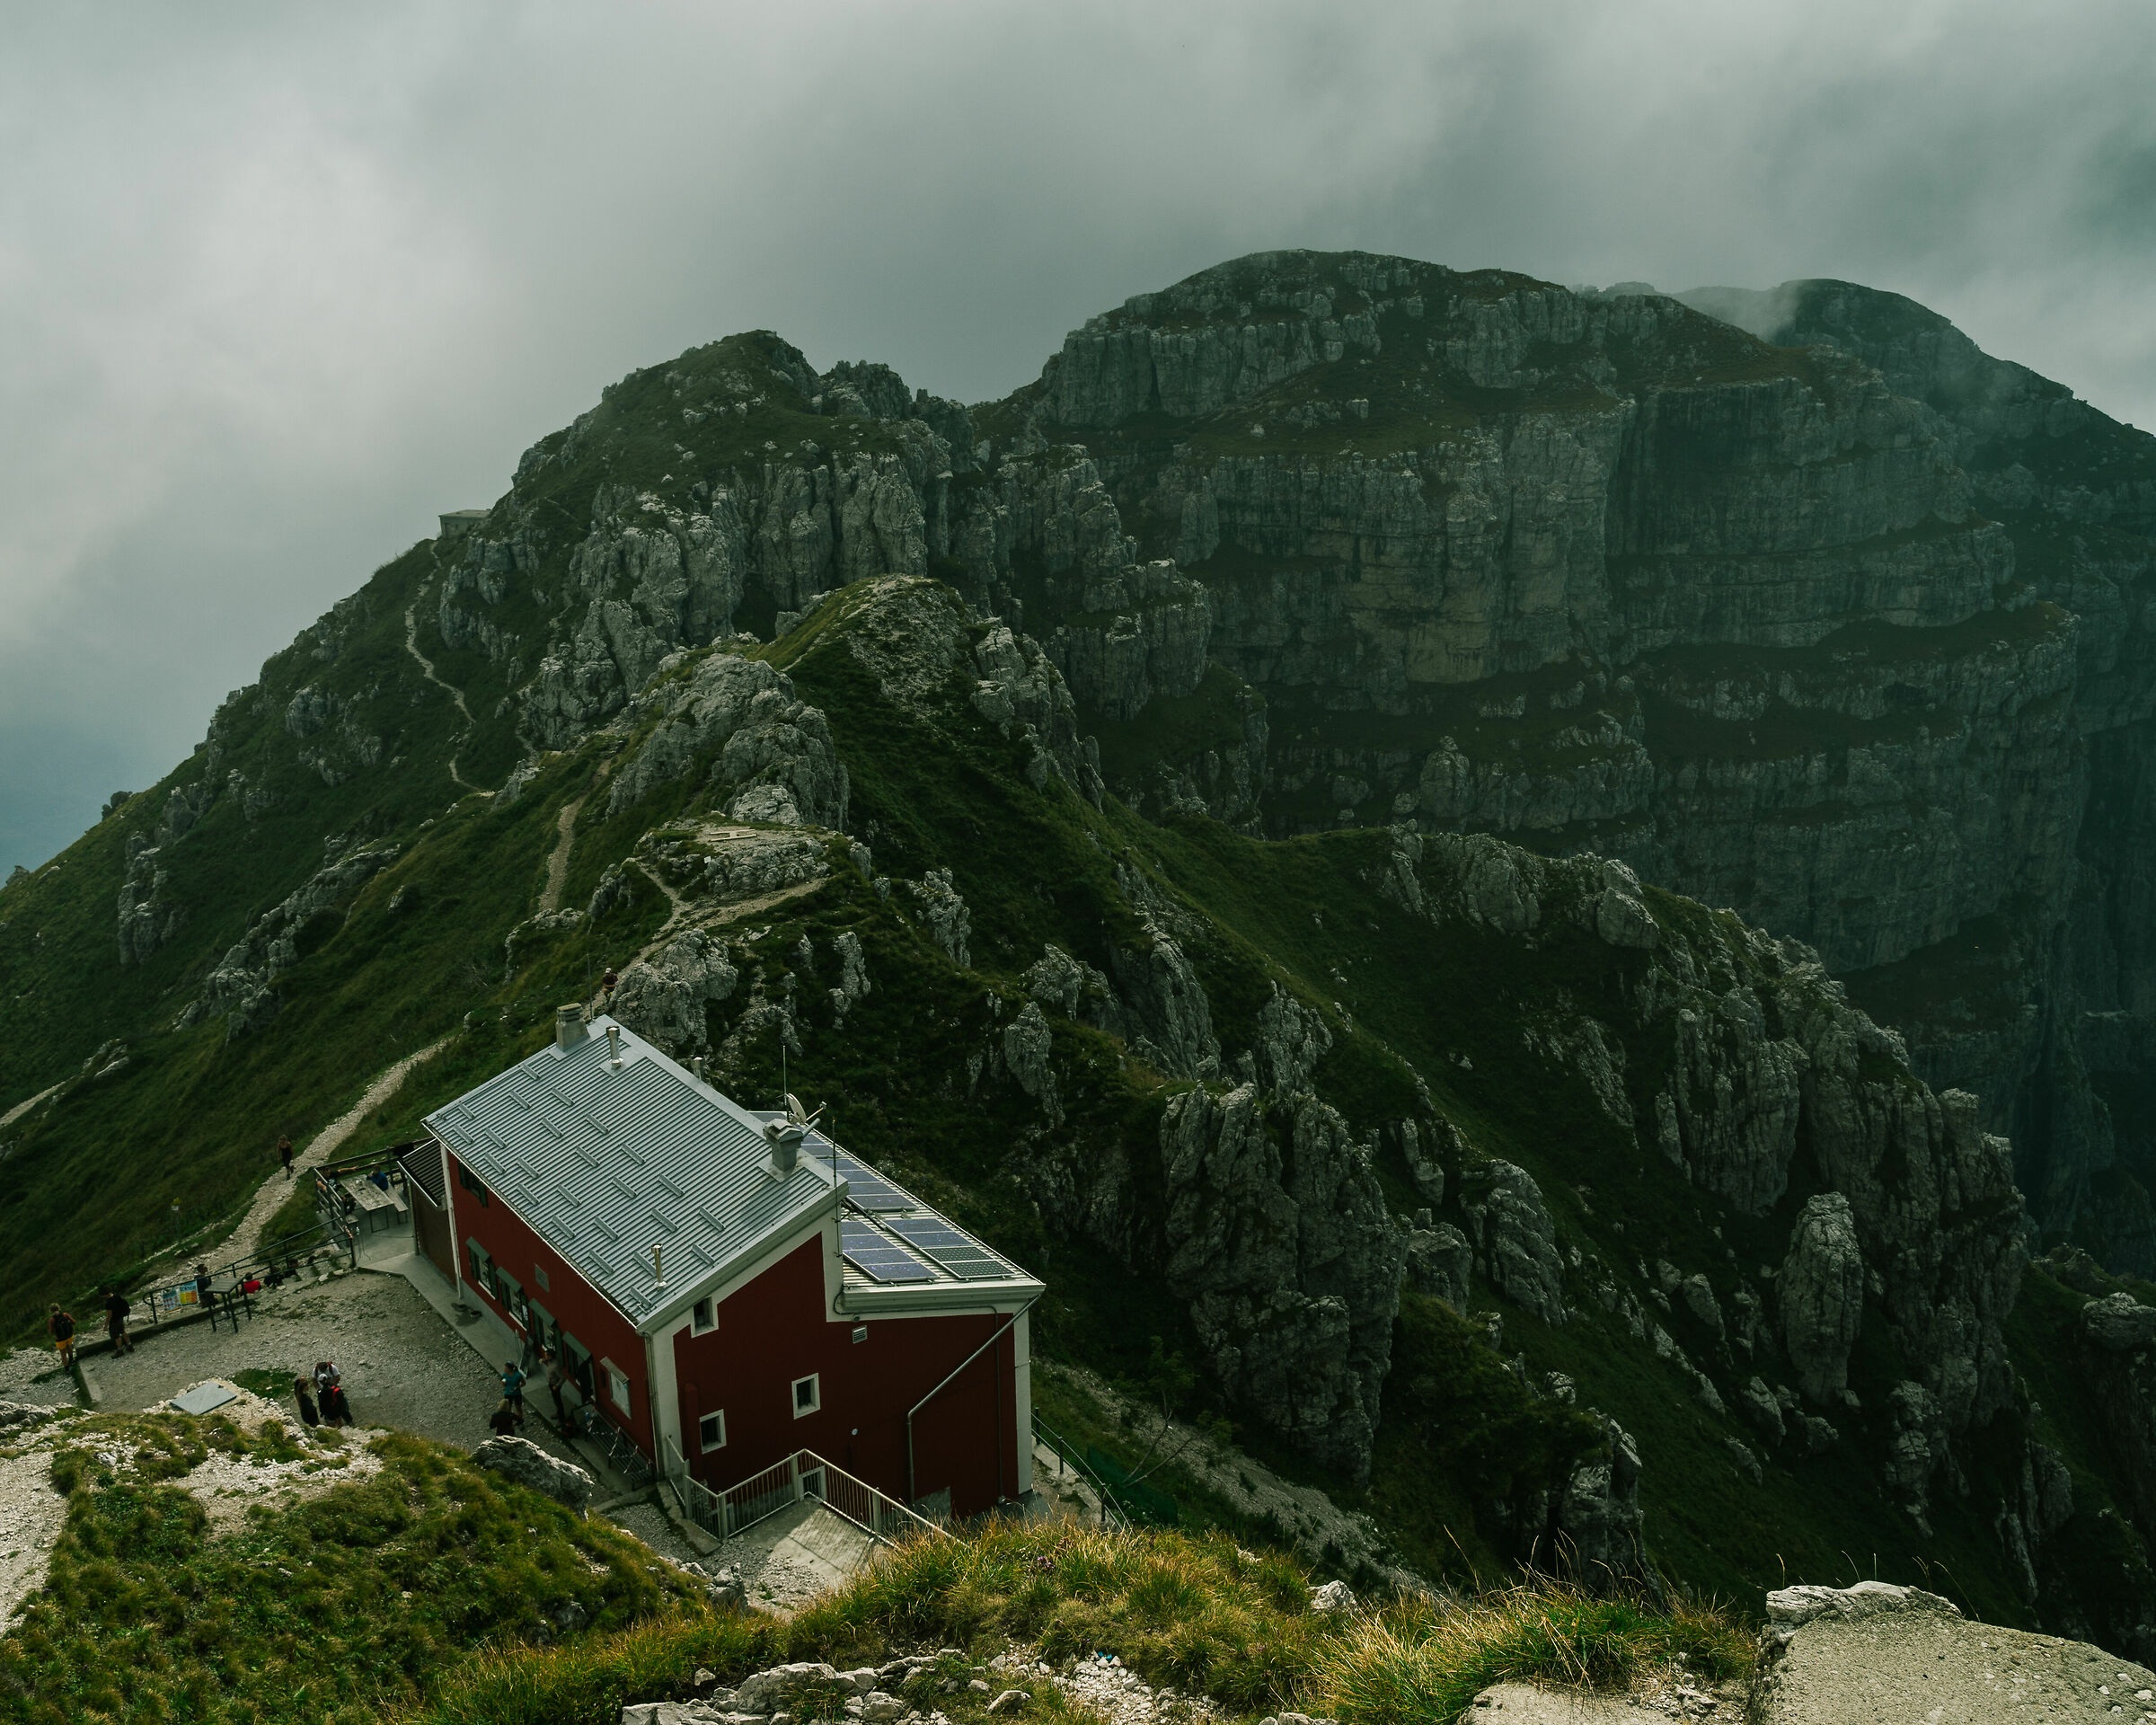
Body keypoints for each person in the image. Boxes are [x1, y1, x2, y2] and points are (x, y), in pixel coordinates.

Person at [102, 1286, 134, 1355]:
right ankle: (129, 1345)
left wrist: (106, 1325)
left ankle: (120, 1350)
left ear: (104, 1294)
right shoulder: (117, 1296)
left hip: (114, 1321)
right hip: (120, 1318)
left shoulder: (108, 1303)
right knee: (123, 1331)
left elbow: (109, 1315)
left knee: (116, 1336)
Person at [47, 1304, 75, 1370]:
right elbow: (74, 1322)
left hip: (60, 1339)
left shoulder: (51, 1320)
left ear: (51, 1311)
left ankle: (67, 1369)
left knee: (63, 1354)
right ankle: (72, 1360)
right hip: (69, 1336)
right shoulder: (65, 1315)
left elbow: (50, 1332)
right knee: (69, 1347)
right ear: (59, 1308)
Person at [544, 1351, 568, 1429]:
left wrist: (557, 1386)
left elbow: (563, 1378)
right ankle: (558, 1413)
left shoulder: (555, 1366)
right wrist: (544, 1360)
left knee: (558, 1402)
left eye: (546, 1356)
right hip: (551, 1383)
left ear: (550, 1357)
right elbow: (547, 1360)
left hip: (554, 1385)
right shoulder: (552, 1360)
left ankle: (561, 1419)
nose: (545, 1357)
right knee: (555, 1400)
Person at [500, 1359, 527, 1426]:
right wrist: (503, 1383)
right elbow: (503, 1384)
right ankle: (509, 1421)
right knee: (507, 1409)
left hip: (517, 1394)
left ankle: (520, 1421)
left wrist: (517, 1387)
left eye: (506, 1368)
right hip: (507, 1394)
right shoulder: (504, 1375)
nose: (504, 1369)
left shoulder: (518, 1375)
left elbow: (523, 1383)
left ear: (510, 1369)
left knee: (518, 1408)